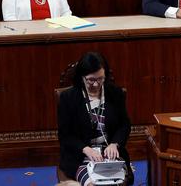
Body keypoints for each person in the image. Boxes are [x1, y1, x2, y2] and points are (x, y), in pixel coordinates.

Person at [57, 52, 133, 186]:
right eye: (91, 80)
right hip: (81, 156)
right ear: (82, 77)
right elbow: (65, 135)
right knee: (94, 184)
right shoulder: (68, 98)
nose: (96, 84)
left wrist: (115, 143)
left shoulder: (115, 93)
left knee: (114, 183)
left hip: (110, 155)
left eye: (100, 79)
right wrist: (86, 149)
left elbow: (124, 125)